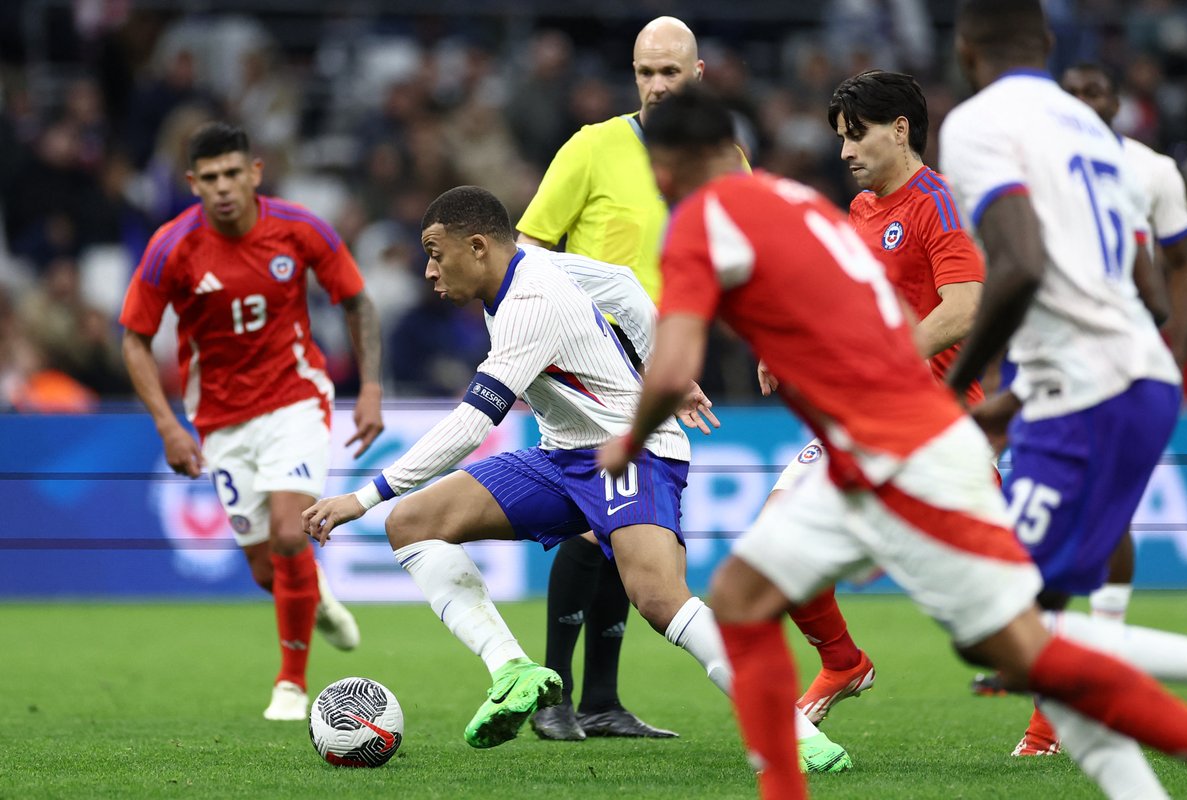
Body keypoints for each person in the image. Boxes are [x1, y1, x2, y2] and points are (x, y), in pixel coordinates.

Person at [600, 82, 1187, 800]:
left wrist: (629, 438)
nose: (847, 150)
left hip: (909, 449)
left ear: (671, 163)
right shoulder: (799, 201)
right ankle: (795, 765)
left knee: (1015, 649)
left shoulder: (703, 219)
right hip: (867, 448)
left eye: (655, 168)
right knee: (742, 593)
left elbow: (671, 365)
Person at [300, 186, 738, 752]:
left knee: (657, 598)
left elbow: (471, 425)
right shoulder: (533, 263)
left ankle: (786, 725)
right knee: (411, 523)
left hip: (632, 448)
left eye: (436, 252)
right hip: (563, 455)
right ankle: (513, 671)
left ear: (478, 246)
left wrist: (360, 499)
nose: (429, 270)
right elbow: (625, 287)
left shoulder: (530, 304)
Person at [514, 14, 800, 755]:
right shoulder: (592, 146)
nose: (657, 85)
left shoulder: (723, 160)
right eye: (646, 72)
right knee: (594, 522)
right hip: (588, 368)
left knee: (629, 534)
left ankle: (602, 699)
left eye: (671, 72)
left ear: (699, 74)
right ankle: (555, 692)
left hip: (667, 370)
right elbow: (528, 247)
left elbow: (750, 262)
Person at [940, 0, 1187, 764]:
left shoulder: (981, 125)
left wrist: (955, 386)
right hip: (1133, 382)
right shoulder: (1092, 129)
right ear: (1048, 45)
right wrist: (1018, 400)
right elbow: (1137, 290)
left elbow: (1017, 265)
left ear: (963, 51)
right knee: (1036, 627)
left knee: (989, 621)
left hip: (1090, 396)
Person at [120, 122, 383, 721]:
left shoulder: (299, 227)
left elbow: (356, 300)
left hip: (295, 400)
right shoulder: (172, 246)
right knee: (268, 568)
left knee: (292, 533)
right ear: (193, 184)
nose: (223, 188)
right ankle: (315, 597)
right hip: (220, 422)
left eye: (233, 173)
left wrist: (369, 386)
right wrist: (167, 425)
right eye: (209, 178)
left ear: (255, 172)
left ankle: (291, 685)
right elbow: (135, 338)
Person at [757, 69, 988, 731]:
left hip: (938, 423)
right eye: (840, 138)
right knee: (776, 546)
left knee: (984, 602)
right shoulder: (861, 211)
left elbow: (965, 309)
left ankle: (1058, 709)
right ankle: (842, 662)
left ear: (901, 129)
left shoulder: (937, 202)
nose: (844, 151)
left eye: (856, 136)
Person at [1060, 61, 1187, 625]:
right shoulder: (1034, 164)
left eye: (1097, 91)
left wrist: (1176, 345)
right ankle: (1046, 650)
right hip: (1051, 355)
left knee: (1103, 504)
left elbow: (1180, 267)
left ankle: (1101, 638)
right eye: (1072, 94)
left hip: (1123, 360)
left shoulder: (1151, 171)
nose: (1085, 102)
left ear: (1118, 103)